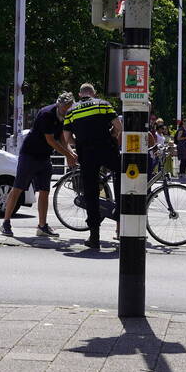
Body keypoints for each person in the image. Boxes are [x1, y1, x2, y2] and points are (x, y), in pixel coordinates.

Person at [0, 92, 77, 238]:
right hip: (30, 155)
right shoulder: (46, 114)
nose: (65, 109)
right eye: (63, 107)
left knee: (44, 191)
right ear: (59, 104)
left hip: (44, 157)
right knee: (18, 188)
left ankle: (42, 226)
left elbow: (62, 138)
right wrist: (67, 155)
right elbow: (51, 140)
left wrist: (72, 152)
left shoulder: (65, 116)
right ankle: (5, 223)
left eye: (67, 107)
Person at [63, 83, 121, 250]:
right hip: (106, 149)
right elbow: (119, 127)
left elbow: (66, 139)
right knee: (121, 172)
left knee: (90, 193)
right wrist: (112, 134)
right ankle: (119, 209)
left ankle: (94, 236)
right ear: (93, 94)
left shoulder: (71, 111)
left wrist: (77, 144)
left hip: (87, 155)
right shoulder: (103, 104)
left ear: (80, 95)